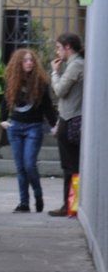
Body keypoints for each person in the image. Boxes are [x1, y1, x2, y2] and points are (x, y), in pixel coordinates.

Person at [0, 49, 57, 213]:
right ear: (18, 63)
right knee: (20, 167)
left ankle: (38, 195)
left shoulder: (40, 82)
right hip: (15, 128)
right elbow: (5, 100)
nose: (29, 63)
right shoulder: (12, 80)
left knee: (29, 164)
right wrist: (3, 120)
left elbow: (47, 106)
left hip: (34, 127)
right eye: (25, 60)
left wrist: (54, 125)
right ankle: (24, 203)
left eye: (31, 60)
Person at [48, 32, 84, 217]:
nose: (57, 52)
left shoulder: (76, 65)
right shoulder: (74, 64)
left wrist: (54, 72)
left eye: (59, 48)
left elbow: (60, 90)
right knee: (70, 166)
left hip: (71, 121)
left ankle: (71, 205)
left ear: (68, 47)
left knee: (71, 167)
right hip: (67, 119)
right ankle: (71, 205)